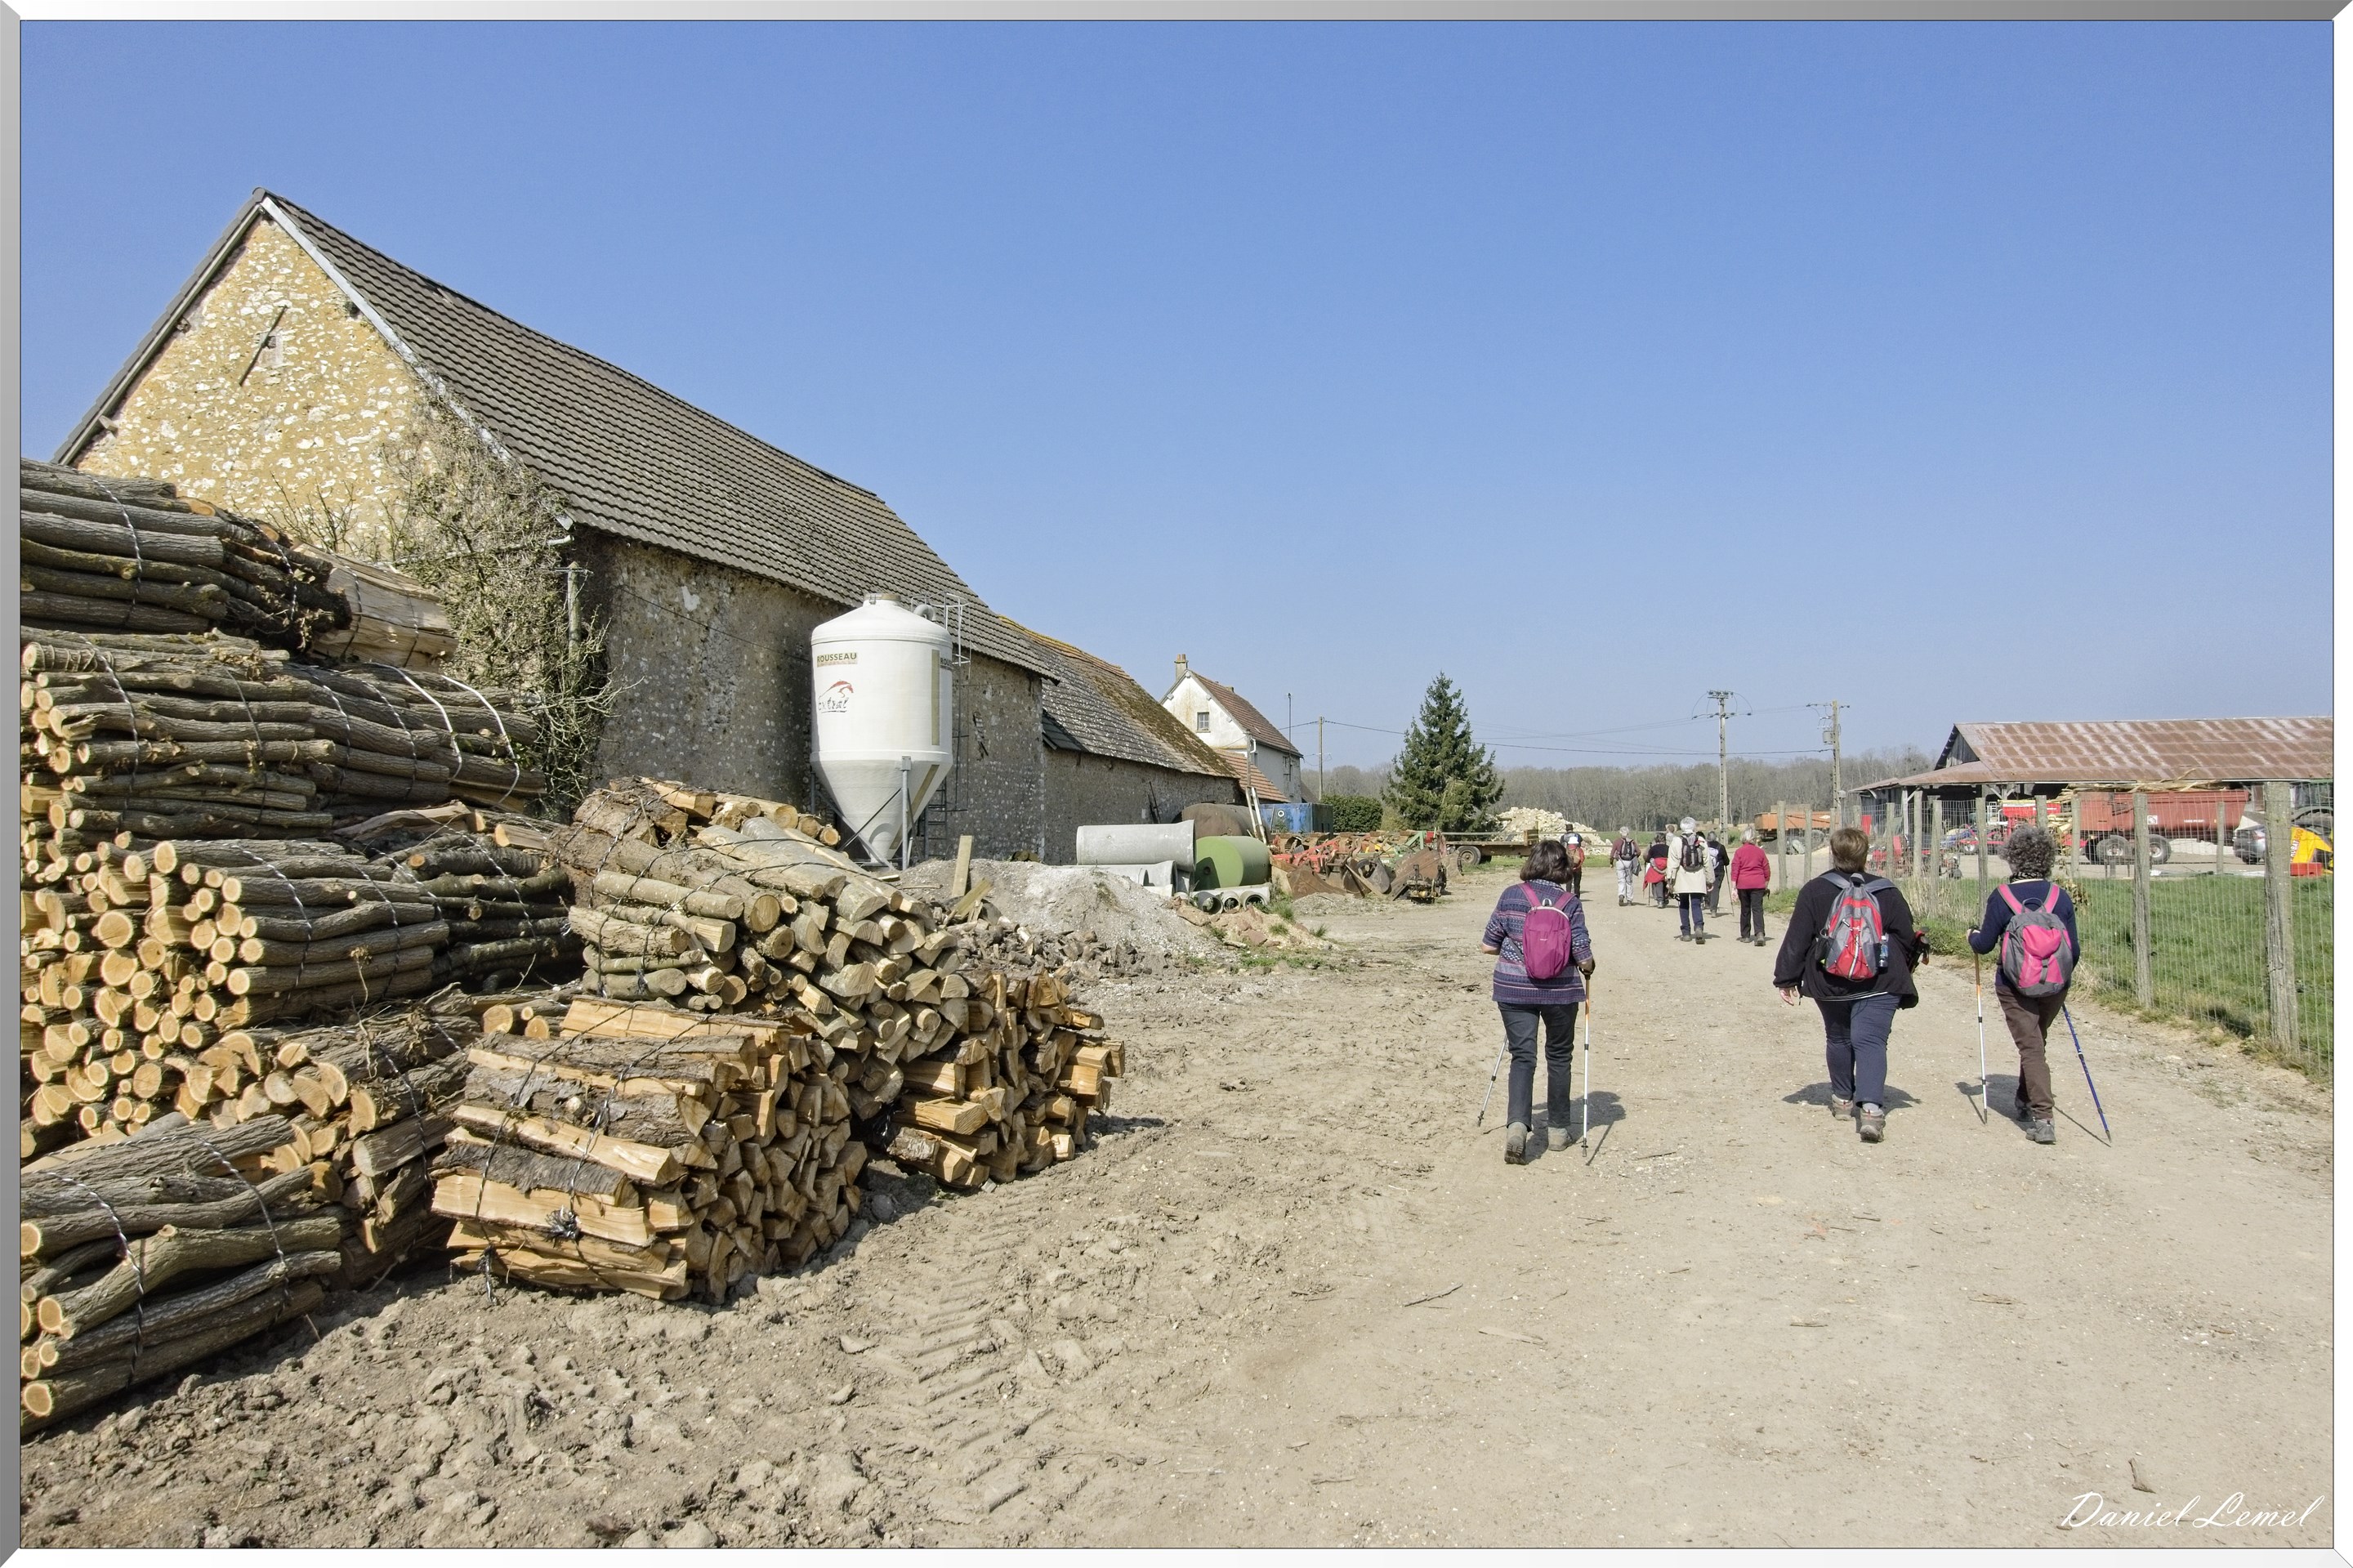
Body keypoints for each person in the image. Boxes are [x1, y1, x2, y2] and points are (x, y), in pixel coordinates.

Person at [1772, 826, 1930, 1144]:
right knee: (1870, 1041)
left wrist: (1786, 978)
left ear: (1833, 854)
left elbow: (1798, 938)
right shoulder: (1887, 891)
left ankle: (1843, 1099)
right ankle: (1871, 1110)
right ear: (1866, 854)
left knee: (1839, 1038)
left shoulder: (1815, 891)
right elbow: (1905, 936)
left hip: (1829, 981)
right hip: (1881, 981)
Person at [1480, 839, 1595, 1164]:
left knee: (1522, 1057)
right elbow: (1582, 953)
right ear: (1563, 868)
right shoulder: (1569, 901)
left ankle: (1517, 1127)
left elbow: (1488, 946)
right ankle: (1558, 1131)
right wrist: (1586, 966)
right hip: (1560, 993)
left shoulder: (1510, 896)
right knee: (1559, 1056)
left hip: (1513, 989)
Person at [1964, 824, 2078, 1146]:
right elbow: (2075, 950)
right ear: (2047, 858)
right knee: (2037, 1042)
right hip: (2056, 984)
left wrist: (1971, 936)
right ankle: (2024, 1100)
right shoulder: (2060, 897)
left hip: (2014, 985)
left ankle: (2043, 1118)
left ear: (2012, 858)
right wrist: (2057, 978)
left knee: (2031, 1046)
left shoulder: (2002, 897)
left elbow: (1984, 945)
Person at [1671, 816, 1712, 941]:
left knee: (1683, 905)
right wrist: (1710, 879)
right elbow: (1707, 862)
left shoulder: (1676, 841)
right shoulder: (1701, 841)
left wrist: (1670, 880)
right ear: (1694, 827)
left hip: (1682, 877)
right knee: (1696, 904)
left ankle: (1686, 933)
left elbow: (1673, 863)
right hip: (1698, 877)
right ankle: (1699, 927)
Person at [1730, 828, 1772, 944]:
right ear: (1754, 838)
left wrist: (1733, 887)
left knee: (1745, 909)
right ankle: (1759, 934)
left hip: (1743, 884)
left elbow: (1735, 870)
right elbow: (1766, 870)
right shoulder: (1760, 852)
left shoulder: (1739, 852)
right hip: (1758, 884)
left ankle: (1745, 935)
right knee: (1758, 909)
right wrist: (1765, 884)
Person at [1703, 833, 1730, 916]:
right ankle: (1713, 910)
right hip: (1719, 871)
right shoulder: (1721, 847)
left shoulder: (1704, 846)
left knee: (1707, 887)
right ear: (1716, 838)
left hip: (1707, 871)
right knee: (1715, 890)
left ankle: (1707, 903)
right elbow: (1727, 861)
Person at [1612, 829, 1638, 906]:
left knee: (1621, 881)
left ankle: (1621, 895)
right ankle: (1629, 900)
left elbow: (1612, 853)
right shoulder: (1632, 841)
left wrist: (1611, 863)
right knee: (1629, 881)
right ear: (1628, 833)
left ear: (1620, 833)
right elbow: (1639, 851)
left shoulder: (1617, 841)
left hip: (1620, 862)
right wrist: (1633, 857)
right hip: (1629, 862)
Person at [1645, 832, 1672, 907]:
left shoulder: (1653, 848)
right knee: (1665, 881)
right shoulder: (1668, 848)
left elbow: (1648, 859)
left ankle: (1660, 900)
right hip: (1666, 867)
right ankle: (1666, 898)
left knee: (1657, 882)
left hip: (1656, 868)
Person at [1562, 833, 1586, 899]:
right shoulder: (1579, 850)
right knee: (1577, 884)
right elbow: (1582, 858)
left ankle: (1568, 897)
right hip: (1577, 870)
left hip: (1569, 869)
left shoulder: (1566, 849)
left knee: (1568, 884)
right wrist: (1577, 867)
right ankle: (1576, 897)